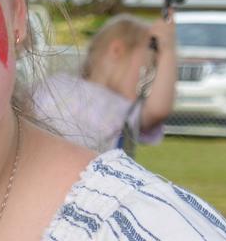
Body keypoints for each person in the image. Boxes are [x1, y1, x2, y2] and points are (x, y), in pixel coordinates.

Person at [32, 12, 177, 153]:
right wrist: (168, 51)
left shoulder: (55, 84)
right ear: (117, 51)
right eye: (146, 69)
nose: (149, 80)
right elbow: (157, 110)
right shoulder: (116, 107)